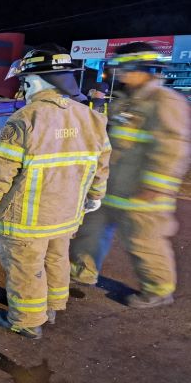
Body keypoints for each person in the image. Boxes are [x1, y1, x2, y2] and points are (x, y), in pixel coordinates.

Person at [0, 44, 111, 339]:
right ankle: (52, 307)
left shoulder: (25, 119)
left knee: (25, 266)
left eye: (24, 82)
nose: (23, 88)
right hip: (66, 214)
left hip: (27, 217)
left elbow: (3, 171)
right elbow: (101, 165)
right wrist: (95, 196)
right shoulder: (92, 119)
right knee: (57, 258)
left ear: (34, 81)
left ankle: (26, 319)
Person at [69, 42, 190, 308]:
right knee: (90, 231)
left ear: (143, 68)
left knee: (143, 240)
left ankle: (157, 290)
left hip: (142, 193)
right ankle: (82, 272)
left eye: (125, 68)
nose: (119, 74)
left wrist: (155, 186)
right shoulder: (126, 102)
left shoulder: (165, 102)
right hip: (111, 187)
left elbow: (172, 149)